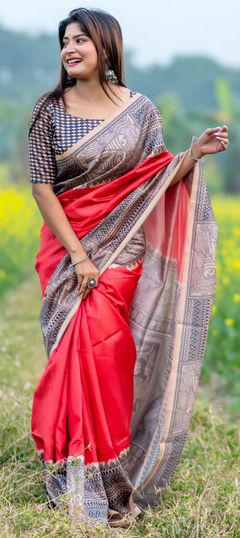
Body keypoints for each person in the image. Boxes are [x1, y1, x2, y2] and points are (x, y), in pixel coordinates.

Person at [28, 7, 229, 528]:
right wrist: (77, 255)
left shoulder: (139, 110)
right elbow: (42, 187)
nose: (70, 49)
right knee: (71, 358)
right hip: (71, 254)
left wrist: (194, 153)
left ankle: (111, 479)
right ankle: (73, 476)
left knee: (107, 360)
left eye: (80, 41)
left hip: (122, 255)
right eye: (64, 42)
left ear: (106, 47)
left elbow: (155, 177)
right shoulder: (47, 111)